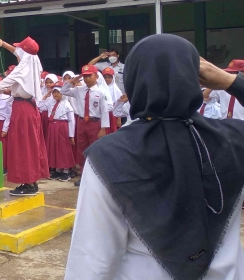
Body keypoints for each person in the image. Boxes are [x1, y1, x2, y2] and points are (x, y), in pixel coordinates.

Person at [65, 34, 244, 280]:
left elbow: (92, 261)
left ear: (133, 81)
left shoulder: (109, 155)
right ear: (195, 77)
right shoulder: (233, 138)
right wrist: (232, 82)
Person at [0, 37, 49, 196]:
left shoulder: (22, 69)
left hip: (22, 109)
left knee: (23, 146)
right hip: (28, 107)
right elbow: (18, 51)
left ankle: (29, 183)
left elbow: (5, 82)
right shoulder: (32, 64)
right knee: (30, 145)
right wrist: (4, 44)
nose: (17, 53)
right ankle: (31, 180)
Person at [61, 65, 110, 186]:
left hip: (95, 122)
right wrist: (73, 81)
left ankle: (97, 177)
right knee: (82, 150)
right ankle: (84, 176)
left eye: (90, 76)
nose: (87, 79)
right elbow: (64, 91)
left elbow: (104, 110)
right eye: (85, 76)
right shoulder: (79, 90)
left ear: (96, 76)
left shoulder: (101, 92)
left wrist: (103, 128)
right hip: (82, 121)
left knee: (94, 150)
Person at [38, 84, 76, 182]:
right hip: (52, 126)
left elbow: (71, 121)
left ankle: (66, 171)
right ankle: (57, 169)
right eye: (54, 92)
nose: (56, 94)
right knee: (54, 147)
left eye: (58, 92)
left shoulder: (67, 104)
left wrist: (71, 135)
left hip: (62, 127)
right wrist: (46, 95)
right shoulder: (50, 102)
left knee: (63, 148)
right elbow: (39, 106)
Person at [101, 67, 123, 133]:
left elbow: (120, 105)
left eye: (109, 77)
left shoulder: (116, 90)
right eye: (105, 77)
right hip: (101, 114)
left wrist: (119, 118)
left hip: (112, 115)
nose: (107, 79)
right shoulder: (99, 88)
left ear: (113, 78)